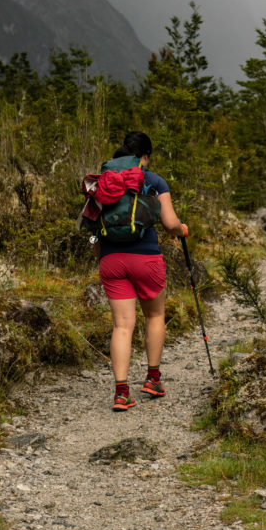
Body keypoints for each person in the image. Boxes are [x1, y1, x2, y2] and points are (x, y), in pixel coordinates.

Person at [93, 131, 187, 411]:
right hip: (146, 258)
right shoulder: (154, 180)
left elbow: (92, 232)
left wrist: (99, 254)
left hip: (111, 260)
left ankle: (121, 393)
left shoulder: (104, 181)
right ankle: (152, 379)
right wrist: (181, 229)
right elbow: (169, 223)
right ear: (145, 156)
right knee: (155, 315)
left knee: (122, 326)